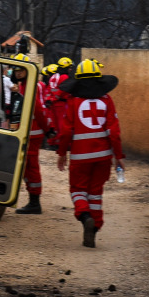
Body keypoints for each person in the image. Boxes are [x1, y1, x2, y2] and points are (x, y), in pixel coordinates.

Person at [56, 58, 124, 248]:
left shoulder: (73, 101)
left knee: (78, 190)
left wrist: (62, 153)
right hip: (103, 156)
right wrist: (118, 157)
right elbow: (114, 132)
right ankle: (94, 227)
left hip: (80, 156)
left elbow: (66, 131)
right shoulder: (107, 100)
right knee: (95, 192)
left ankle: (85, 216)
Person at [9, 55, 51, 214]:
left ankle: (34, 202)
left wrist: (47, 129)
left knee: (30, 167)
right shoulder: (26, 84)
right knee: (27, 167)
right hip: (29, 131)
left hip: (32, 132)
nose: (18, 73)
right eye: (16, 70)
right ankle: (33, 200)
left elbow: (38, 109)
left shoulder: (29, 85)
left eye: (21, 69)